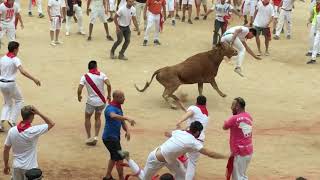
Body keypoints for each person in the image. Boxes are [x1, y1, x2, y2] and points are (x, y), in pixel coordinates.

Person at [119, 121, 227, 180]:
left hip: (164, 156)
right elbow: (210, 154)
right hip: (156, 160)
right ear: (197, 132)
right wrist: (226, 156)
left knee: (183, 176)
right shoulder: (193, 142)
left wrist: (181, 130)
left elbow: (167, 133)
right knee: (144, 178)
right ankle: (128, 158)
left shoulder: (180, 133)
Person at [3, 105, 55, 180]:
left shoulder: (12, 131)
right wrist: (38, 113)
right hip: (30, 169)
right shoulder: (33, 131)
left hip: (16, 167)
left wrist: (6, 165)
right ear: (31, 117)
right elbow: (51, 123)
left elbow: (6, 149)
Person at [0, 42, 41, 132]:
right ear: (15, 50)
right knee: (19, 100)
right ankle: (12, 120)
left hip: (2, 83)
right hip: (10, 84)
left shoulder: (2, 58)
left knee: (7, 103)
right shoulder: (15, 59)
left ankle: (0, 124)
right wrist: (34, 79)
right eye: (18, 49)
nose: (18, 50)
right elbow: (23, 72)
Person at [102, 90, 137, 180]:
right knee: (120, 158)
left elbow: (122, 121)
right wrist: (127, 118)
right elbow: (113, 116)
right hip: (110, 138)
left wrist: (127, 130)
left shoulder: (118, 107)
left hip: (113, 138)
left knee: (114, 157)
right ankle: (121, 178)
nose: (124, 98)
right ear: (116, 98)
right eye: (122, 97)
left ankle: (107, 176)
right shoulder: (110, 108)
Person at [77, 60, 112, 145]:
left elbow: (79, 89)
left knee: (87, 118)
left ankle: (89, 137)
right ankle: (96, 136)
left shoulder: (85, 77)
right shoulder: (102, 75)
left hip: (91, 102)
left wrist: (79, 96)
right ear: (96, 67)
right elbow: (109, 84)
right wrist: (109, 95)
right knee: (98, 118)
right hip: (101, 101)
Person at [175, 95, 209, 180]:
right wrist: (181, 104)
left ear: (196, 102)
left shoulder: (194, 108)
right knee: (191, 163)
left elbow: (189, 114)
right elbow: (190, 114)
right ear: (205, 104)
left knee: (173, 154)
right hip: (199, 140)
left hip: (188, 138)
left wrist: (179, 121)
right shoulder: (206, 114)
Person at [223, 97, 253, 180]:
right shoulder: (249, 116)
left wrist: (229, 119)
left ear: (237, 106)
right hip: (249, 151)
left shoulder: (234, 118)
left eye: (233, 105)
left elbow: (224, 127)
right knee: (242, 175)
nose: (231, 107)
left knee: (238, 177)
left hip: (239, 152)